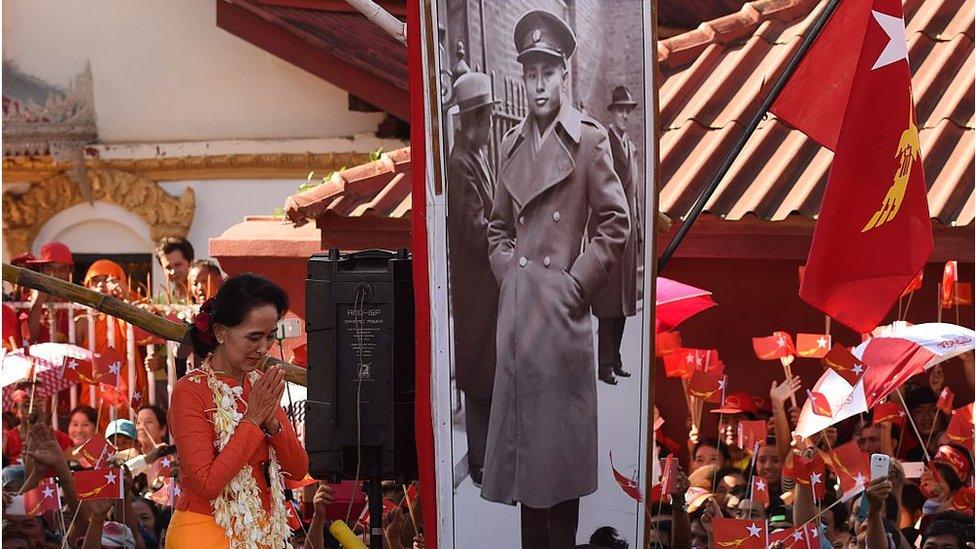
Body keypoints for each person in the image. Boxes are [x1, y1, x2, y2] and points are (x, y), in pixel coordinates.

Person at [481, 10, 630, 548]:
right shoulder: (512, 145)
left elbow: (617, 223)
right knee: (525, 476)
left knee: (558, 475)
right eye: (530, 71)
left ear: (564, 74)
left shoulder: (588, 140)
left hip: (562, 329)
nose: (539, 82)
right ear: (523, 77)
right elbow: (496, 229)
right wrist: (509, 277)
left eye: (548, 70)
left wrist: (576, 283)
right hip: (519, 326)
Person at [166, 273, 307, 548]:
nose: (263, 349)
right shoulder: (190, 391)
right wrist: (253, 421)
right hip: (204, 532)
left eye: (269, 337)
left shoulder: (259, 385)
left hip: (262, 533)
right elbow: (207, 483)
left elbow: (298, 469)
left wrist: (273, 426)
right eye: (253, 337)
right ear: (220, 332)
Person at [446, 70, 499, 488]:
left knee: (488, 378)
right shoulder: (460, 162)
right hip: (477, 293)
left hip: (485, 292)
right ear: (476, 119)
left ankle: (488, 460)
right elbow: (473, 230)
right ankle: (481, 463)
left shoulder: (471, 156)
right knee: (481, 382)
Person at [591, 84, 642, 385]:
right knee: (608, 306)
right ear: (612, 113)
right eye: (620, 109)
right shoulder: (605, 145)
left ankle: (617, 358)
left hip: (629, 238)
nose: (624, 115)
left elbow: (634, 195)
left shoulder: (631, 147)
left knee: (623, 305)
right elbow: (597, 192)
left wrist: (639, 232)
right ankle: (604, 365)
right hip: (611, 235)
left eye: (628, 110)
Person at [75, 259, 148, 423]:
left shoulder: (132, 308)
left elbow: (151, 322)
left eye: (106, 279)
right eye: (95, 281)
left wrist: (126, 296)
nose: (101, 285)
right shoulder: (81, 319)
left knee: (126, 428)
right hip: (94, 385)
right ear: (87, 285)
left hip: (126, 380)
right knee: (94, 426)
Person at [25, 241, 74, 343]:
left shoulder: (77, 300)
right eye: (49, 268)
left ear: (70, 273)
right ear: (41, 270)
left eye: (62, 269)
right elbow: (29, 338)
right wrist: (38, 303)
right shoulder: (27, 299)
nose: (55, 275)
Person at [155, 237, 194, 302]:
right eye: (168, 267)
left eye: (178, 265)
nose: (173, 272)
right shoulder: (159, 302)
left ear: (191, 263)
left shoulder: (207, 300)